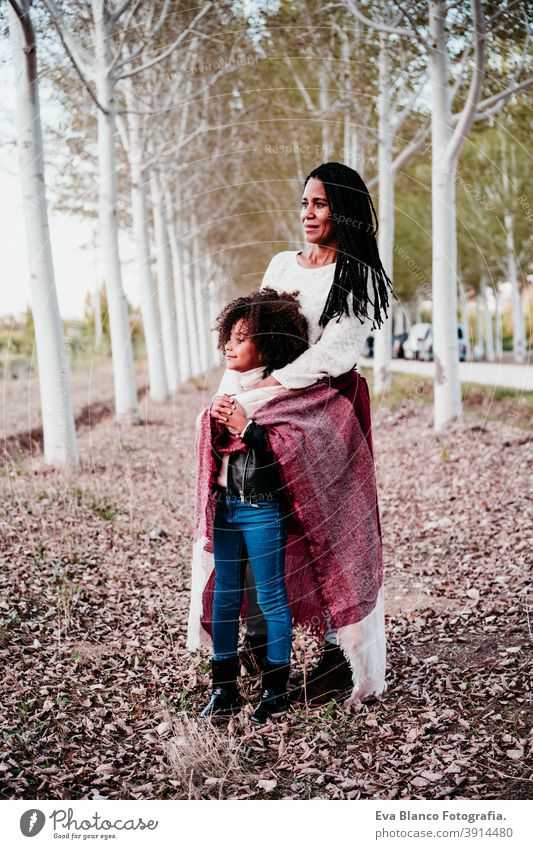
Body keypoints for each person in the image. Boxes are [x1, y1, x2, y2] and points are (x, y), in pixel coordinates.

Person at [210, 161, 395, 704]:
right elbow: (256, 332)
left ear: (343, 212)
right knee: (254, 505)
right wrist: (230, 393)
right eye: (304, 203)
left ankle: (343, 652)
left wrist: (263, 396)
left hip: (325, 401)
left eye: (320, 205)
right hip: (268, 395)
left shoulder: (356, 274)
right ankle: (261, 638)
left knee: (329, 525)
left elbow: (332, 354)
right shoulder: (280, 264)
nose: (308, 214)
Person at [196, 288, 309, 723]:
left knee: (271, 597)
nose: (230, 344)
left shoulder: (284, 393)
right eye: (230, 334)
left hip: (262, 509)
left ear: (267, 345)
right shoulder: (230, 390)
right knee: (225, 598)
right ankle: (223, 691)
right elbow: (210, 450)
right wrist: (215, 421)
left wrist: (247, 428)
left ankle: (274, 693)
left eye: (241, 338)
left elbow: (290, 457)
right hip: (225, 508)